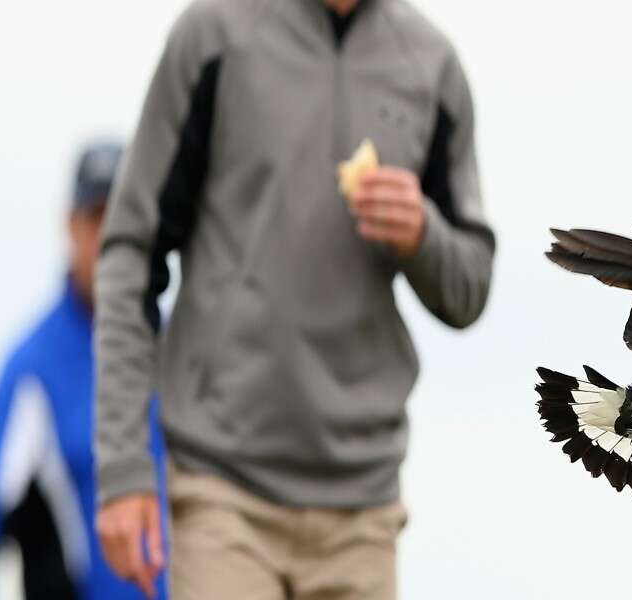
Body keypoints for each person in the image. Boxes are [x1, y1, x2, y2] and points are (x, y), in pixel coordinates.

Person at [93, 0, 495, 598]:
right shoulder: (214, 33)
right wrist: (124, 469)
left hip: (363, 510)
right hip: (221, 490)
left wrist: (423, 235)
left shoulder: (430, 65)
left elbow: (469, 290)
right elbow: (132, 252)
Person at [0, 142, 167, 600]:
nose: (109, 238)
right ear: (71, 227)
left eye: (123, 218)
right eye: (96, 218)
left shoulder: (180, 351)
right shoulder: (31, 368)